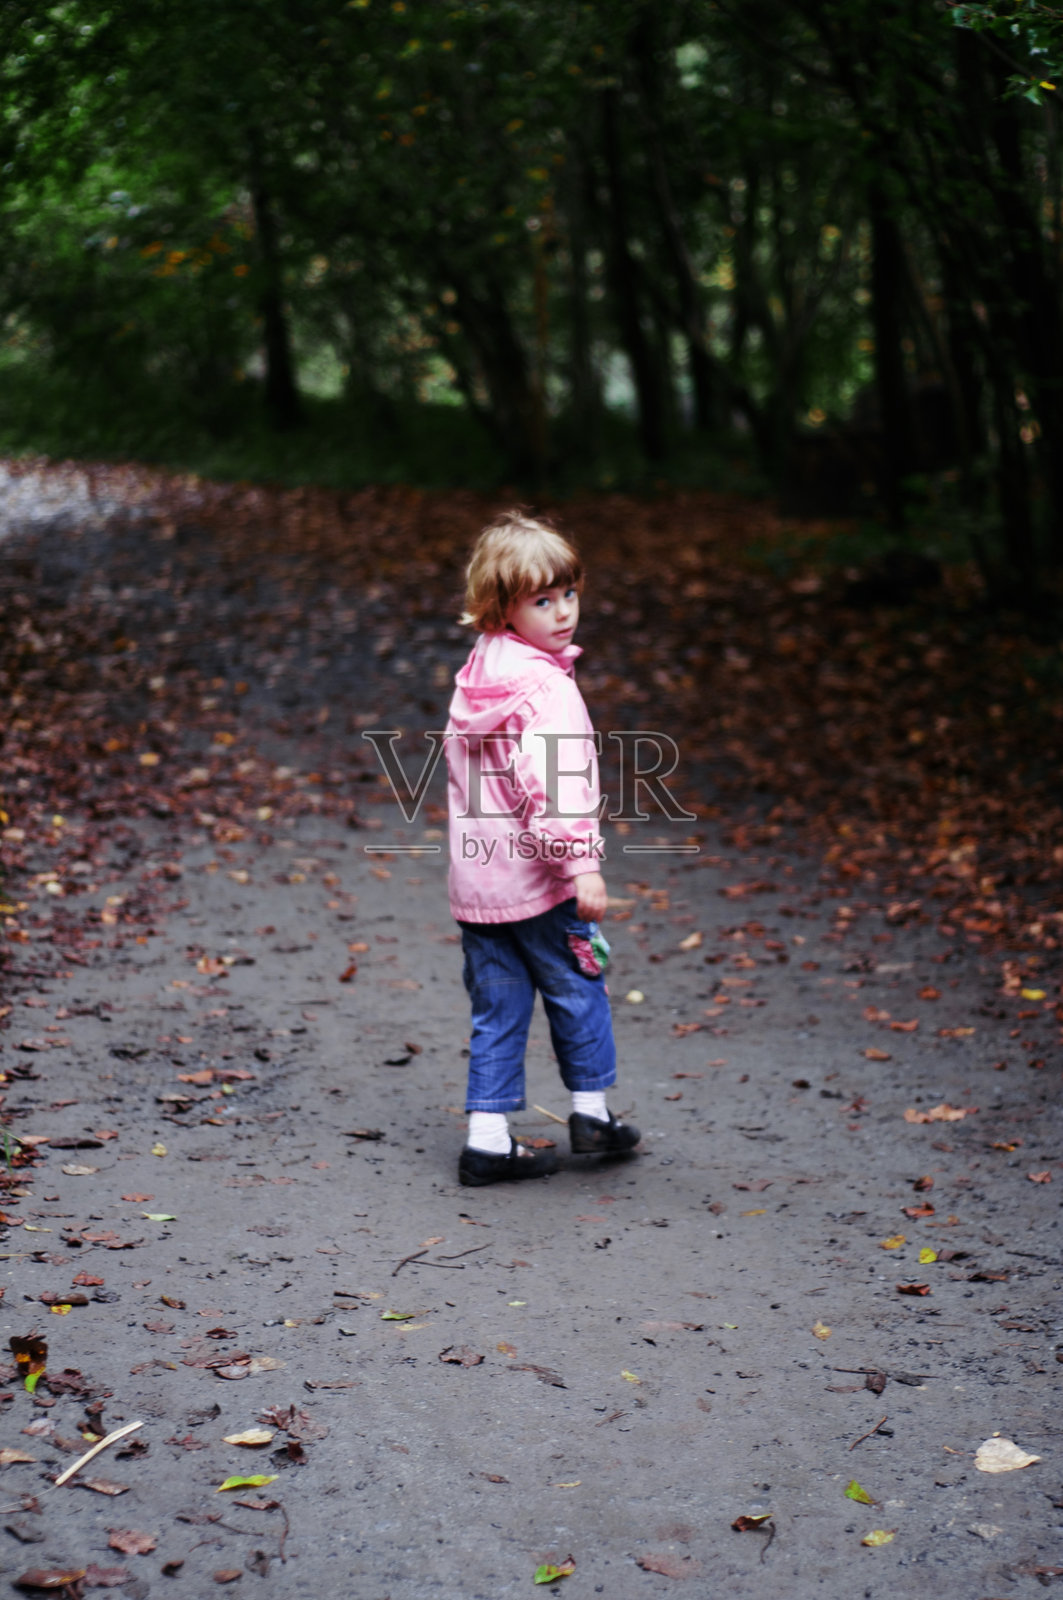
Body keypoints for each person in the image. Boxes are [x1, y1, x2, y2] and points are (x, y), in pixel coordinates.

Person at [445, 510, 640, 1186]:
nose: (563, 612)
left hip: (478, 886)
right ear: (502, 606)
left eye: (569, 594)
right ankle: (590, 1113)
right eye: (541, 600)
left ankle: (488, 1138)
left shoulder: (479, 674)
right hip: (538, 882)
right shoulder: (547, 690)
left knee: (497, 1007)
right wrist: (581, 864)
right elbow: (553, 785)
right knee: (576, 988)